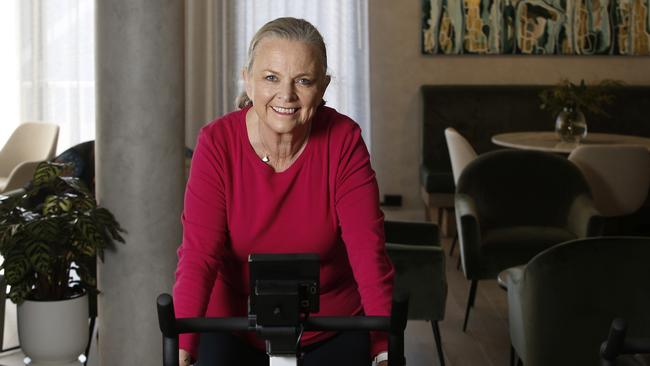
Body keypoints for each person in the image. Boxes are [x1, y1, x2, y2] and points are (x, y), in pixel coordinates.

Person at [173, 17, 394, 366]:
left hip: (329, 327)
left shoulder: (343, 140)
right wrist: (182, 347)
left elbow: (369, 253)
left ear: (322, 87)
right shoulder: (216, 143)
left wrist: (384, 348)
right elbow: (199, 256)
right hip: (234, 326)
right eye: (271, 78)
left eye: (303, 81)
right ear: (248, 80)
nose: (286, 95)